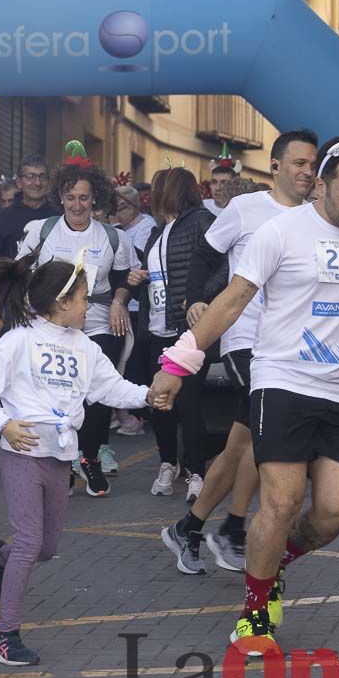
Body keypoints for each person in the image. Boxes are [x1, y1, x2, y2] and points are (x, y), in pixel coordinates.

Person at [150, 122, 339, 652]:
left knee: (336, 511)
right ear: (321, 186)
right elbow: (231, 301)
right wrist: (176, 364)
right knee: (282, 499)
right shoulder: (280, 232)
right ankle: (255, 614)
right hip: (281, 381)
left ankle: (274, 565)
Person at [0, 255, 169, 666]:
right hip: (22, 452)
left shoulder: (85, 346)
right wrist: (3, 423)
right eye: (82, 299)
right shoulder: (19, 339)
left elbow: (112, 388)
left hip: (61, 455)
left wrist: (147, 395)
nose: (87, 307)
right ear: (62, 302)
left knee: (45, 547)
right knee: (28, 542)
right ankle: (4, 637)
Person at [165, 129, 319, 576]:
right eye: (299, 163)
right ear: (275, 167)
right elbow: (204, 255)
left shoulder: (315, 218)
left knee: (242, 445)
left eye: (313, 165)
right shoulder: (245, 209)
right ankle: (232, 528)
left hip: (288, 347)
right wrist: (193, 299)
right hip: (244, 339)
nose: (307, 172)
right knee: (269, 437)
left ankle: (190, 527)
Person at [16, 141, 134, 495]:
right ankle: (62, 463)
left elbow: (126, 279)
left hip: (96, 323)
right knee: (58, 394)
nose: (77, 205)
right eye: (70, 197)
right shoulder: (42, 231)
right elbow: (20, 271)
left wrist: (119, 299)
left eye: (84, 198)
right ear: (61, 197)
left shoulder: (114, 238)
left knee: (94, 394)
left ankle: (91, 458)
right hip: (50, 327)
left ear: (94, 198)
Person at [136, 167, 215, 505]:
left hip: (188, 329)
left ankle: (197, 472)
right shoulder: (156, 233)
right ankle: (168, 462)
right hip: (157, 327)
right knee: (159, 401)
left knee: (189, 402)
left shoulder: (200, 221)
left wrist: (201, 296)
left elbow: (224, 263)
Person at [113, 181, 158, 437]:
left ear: (134, 206)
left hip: (136, 304)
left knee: (134, 361)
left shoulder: (146, 226)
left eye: (122, 208)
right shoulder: (116, 229)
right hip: (119, 304)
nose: (118, 214)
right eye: (115, 209)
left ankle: (136, 413)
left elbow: (139, 259)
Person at [0, 154, 56, 257]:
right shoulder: (1, 219)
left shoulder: (59, 217)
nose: (37, 183)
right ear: (19, 182)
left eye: (42, 177)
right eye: (30, 177)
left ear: (49, 182)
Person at [205, 142, 242, 215]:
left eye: (224, 183)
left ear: (234, 186)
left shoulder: (240, 211)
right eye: (214, 182)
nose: (218, 188)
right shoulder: (202, 207)